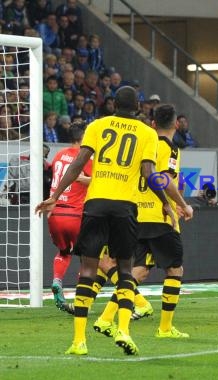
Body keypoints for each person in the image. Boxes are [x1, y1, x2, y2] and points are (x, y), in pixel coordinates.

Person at [35, 86, 178, 356]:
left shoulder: (97, 126)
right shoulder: (147, 133)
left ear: (113, 104)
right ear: (137, 107)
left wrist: (54, 196)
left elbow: (78, 163)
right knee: (125, 270)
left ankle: (79, 341)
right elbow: (149, 173)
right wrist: (166, 204)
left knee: (88, 271)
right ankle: (123, 329)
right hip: (125, 207)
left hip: (96, 204)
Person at [93, 104, 194, 339]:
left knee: (137, 272)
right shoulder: (169, 148)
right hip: (159, 217)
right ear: (176, 124)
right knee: (174, 269)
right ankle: (165, 328)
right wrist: (182, 204)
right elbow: (164, 180)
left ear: (153, 124)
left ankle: (105, 318)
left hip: (134, 216)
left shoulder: (141, 144)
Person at [47, 124, 91, 314]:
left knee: (64, 251)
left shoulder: (58, 155)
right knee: (88, 258)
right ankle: (82, 301)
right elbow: (96, 180)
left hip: (55, 214)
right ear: (84, 137)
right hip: (75, 214)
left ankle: (57, 280)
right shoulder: (85, 157)